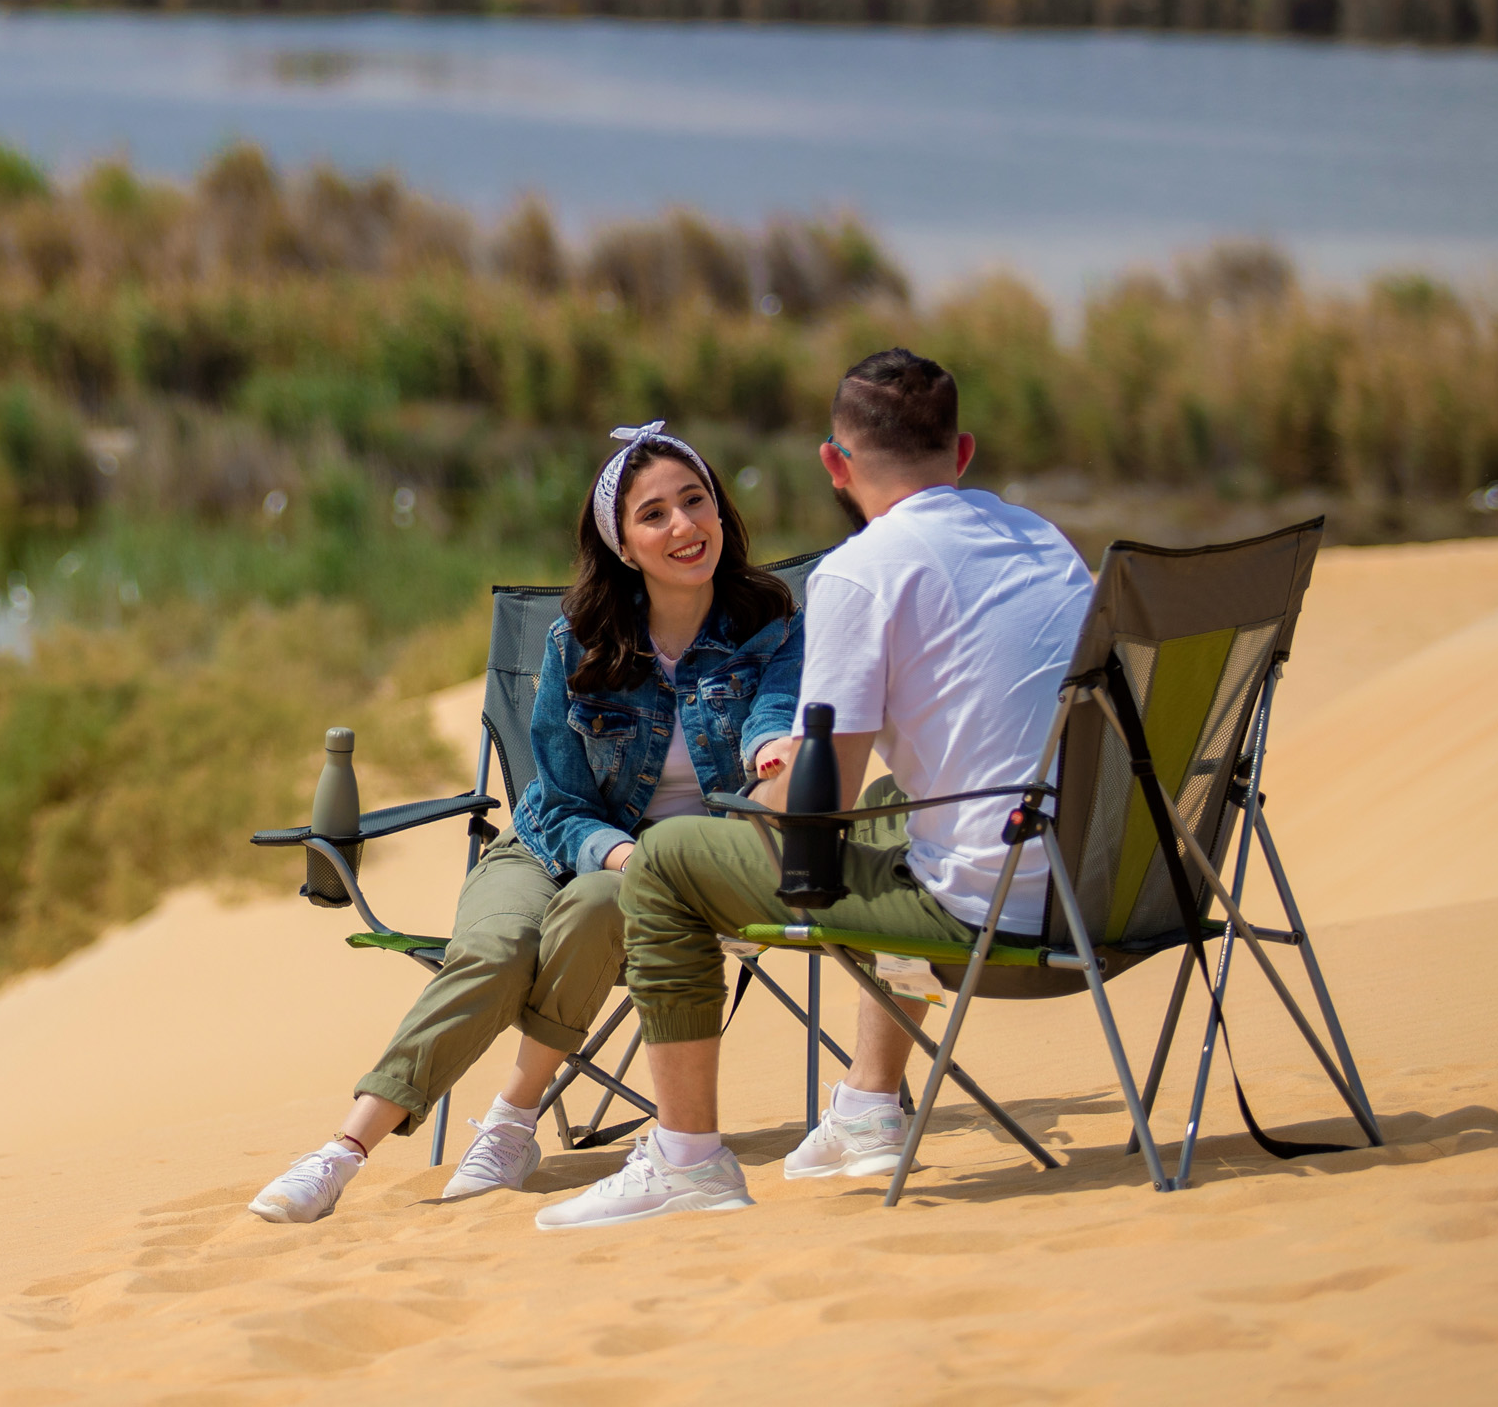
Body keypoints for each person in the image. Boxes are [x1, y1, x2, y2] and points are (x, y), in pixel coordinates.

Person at [526, 348, 1095, 1231]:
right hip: (1113, 890)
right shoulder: (1046, 543)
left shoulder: (861, 572)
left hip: (995, 914)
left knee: (670, 859)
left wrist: (780, 759)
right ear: (965, 452)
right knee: (901, 829)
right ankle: (869, 1104)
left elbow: (813, 808)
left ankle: (687, 1161)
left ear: (836, 463)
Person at [248, 423, 803, 1224]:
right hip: (555, 841)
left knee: (601, 904)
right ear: (622, 543)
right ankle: (341, 1151)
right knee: (498, 946)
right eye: (655, 514)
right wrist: (615, 853)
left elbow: (772, 717)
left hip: (683, 872)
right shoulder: (577, 642)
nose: (684, 527)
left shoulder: (770, 622)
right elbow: (559, 799)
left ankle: (511, 1121)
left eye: (695, 501)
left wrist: (775, 751)